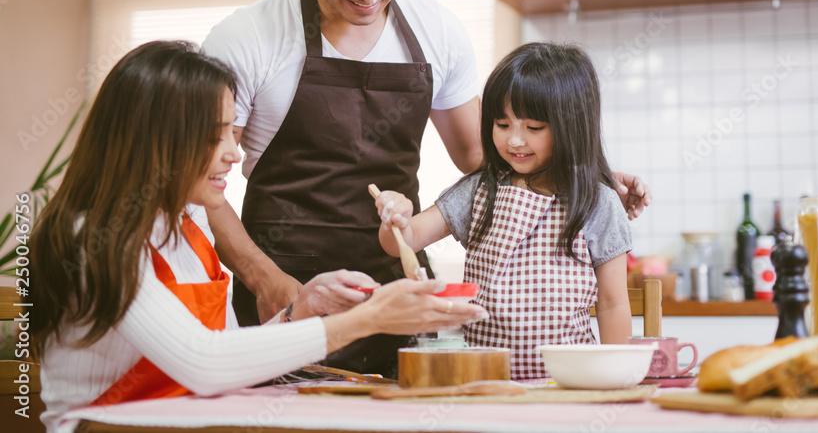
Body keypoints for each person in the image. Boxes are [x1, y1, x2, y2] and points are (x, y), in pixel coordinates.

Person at [200, 0, 650, 375]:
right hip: (287, 285)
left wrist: (579, 173)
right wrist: (264, 280)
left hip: (397, 285)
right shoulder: (248, 38)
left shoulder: (438, 31)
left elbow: (485, 157)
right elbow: (201, 181)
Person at [29, 41, 487, 433]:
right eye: (216, 136)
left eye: (232, 130)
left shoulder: (188, 224)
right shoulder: (91, 237)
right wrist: (369, 319)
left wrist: (300, 312)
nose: (235, 151)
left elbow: (230, 357)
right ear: (155, 142)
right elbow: (205, 364)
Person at [374, 42, 632, 380]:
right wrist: (397, 218)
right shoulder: (479, 190)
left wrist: (615, 380)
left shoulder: (598, 202)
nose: (514, 141)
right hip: (485, 382)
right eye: (502, 124)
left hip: (569, 384)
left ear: (573, 126)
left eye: (534, 128)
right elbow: (401, 244)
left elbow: (612, 304)